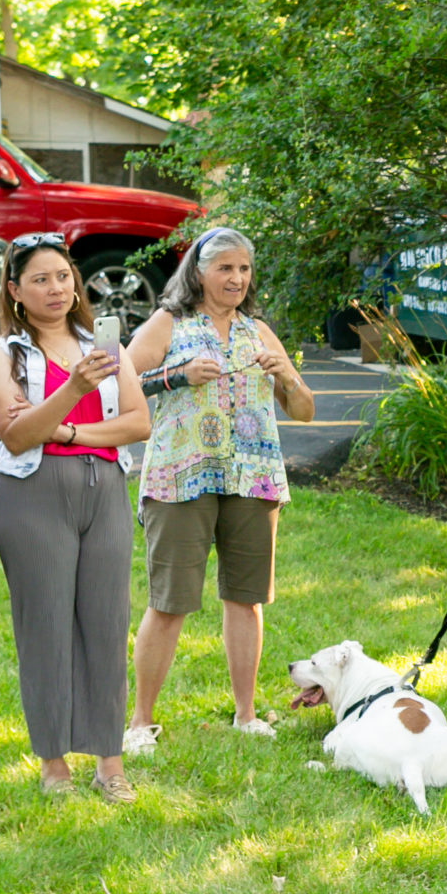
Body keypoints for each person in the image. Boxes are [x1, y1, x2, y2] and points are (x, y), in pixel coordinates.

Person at [123, 227, 314, 750]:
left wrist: (287, 379)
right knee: (169, 601)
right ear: (198, 272)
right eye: (224, 268)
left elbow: (303, 410)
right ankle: (140, 722)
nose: (235, 278)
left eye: (244, 269)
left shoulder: (258, 331)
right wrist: (177, 375)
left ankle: (246, 714)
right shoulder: (169, 323)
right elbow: (115, 382)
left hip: (251, 476)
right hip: (180, 474)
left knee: (246, 599)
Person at [0, 234, 150, 802]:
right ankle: (54, 765)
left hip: (104, 490)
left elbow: (138, 423)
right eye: (40, 280)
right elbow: (18, 433)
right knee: (45, 625)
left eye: (63, 276)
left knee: (106, 622)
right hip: (34, 495)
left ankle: (110, 763)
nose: (56, 289)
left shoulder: (102, 344)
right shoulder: (0, 354)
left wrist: (70, 430)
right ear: (14, 291)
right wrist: (73, 388)